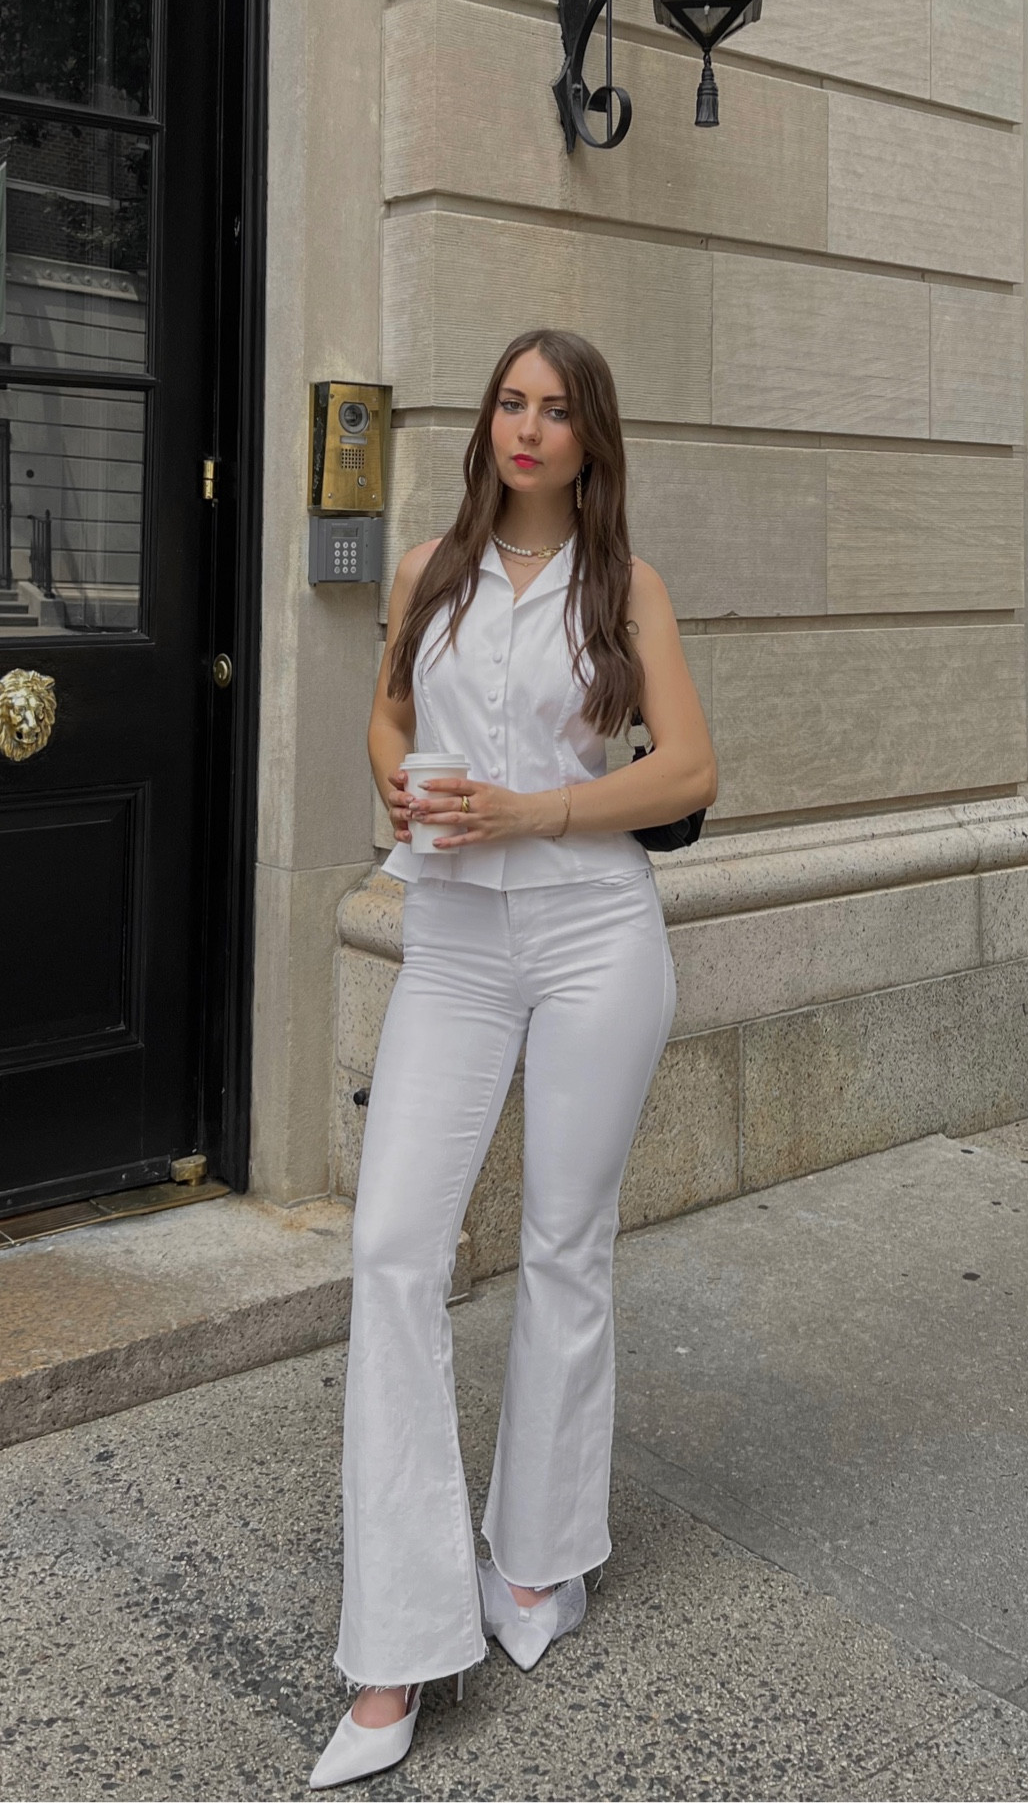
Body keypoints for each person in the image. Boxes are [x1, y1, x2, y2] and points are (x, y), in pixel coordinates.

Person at [310, 329, 717, 1789]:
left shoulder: (628, 588)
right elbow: (388, 718)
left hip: (597, 934)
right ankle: (399, 1643)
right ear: (486, 422)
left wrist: (536, 811)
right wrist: (402, 791)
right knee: (393, 1251)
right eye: (511, 401)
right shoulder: (430, 569)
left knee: (564, 1245)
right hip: (459, 949)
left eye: (556, 410)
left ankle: (542, 1560)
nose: (528, 427)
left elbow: (688, 771)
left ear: (592, 439)